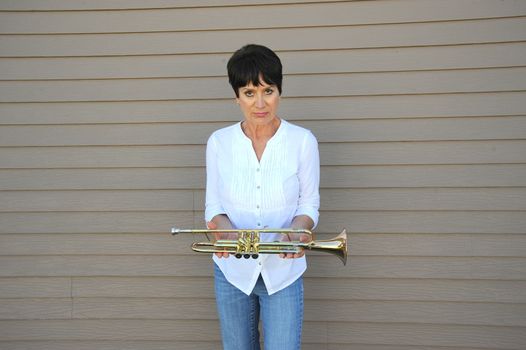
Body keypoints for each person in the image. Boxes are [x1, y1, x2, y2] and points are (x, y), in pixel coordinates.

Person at [205, 43, 320, 350]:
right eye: (249, 92)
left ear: (279, 91)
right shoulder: (219, 143)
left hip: (283, 273)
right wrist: (223, 227)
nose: (260, 103)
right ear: (236, 96)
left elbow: (309, 204)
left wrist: (297, 231)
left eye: (268, 90)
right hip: (233, 274)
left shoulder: (302, 141)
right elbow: (214, 205)